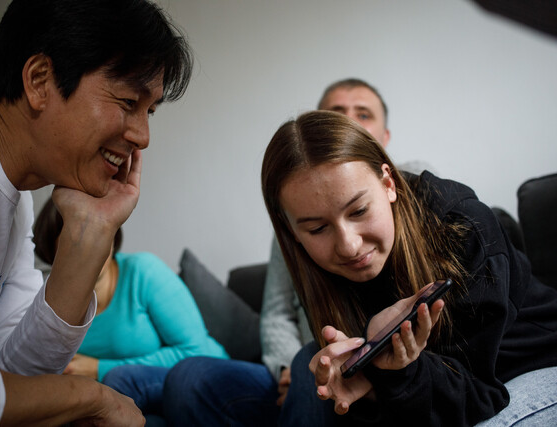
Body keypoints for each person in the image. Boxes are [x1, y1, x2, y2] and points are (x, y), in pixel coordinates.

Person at [0, 0, 192, 425]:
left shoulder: (17, 209)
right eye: (127, 102)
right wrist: (89, 397)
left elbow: (10, 384)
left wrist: (89, 234)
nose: (142, 136)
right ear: (40, 81)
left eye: (149, 112)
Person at [259, 110, 557, 426]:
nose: (349, 246)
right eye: (317, 229)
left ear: (388, 183)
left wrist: (399, 372)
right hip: (450, 393)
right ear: (292, 232)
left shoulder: (463, 224)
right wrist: (370, 387)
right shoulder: (314, 268)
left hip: (533, 369)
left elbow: (482, 396)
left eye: (359, 210)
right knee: (311, 361)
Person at [162, 78, 416, 426]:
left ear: (384, 142)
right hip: (295, 376)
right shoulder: (295, 220)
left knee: (309, 360)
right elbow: (277, 312)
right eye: (337, 113)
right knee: (188, 378)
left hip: (357, 376)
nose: (350, 122)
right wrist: (285, 369)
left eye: (364, 114)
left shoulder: (414, 195)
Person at [32, 197, 228, 422]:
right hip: (128, 405)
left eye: (100, 233)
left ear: (114, 237)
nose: (90, 246)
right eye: (75, 239)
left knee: (119, 382)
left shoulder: (143, 272)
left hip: (204, 384)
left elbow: (196, 351)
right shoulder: (44, 298)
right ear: (53, 252)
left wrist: (100, 368)